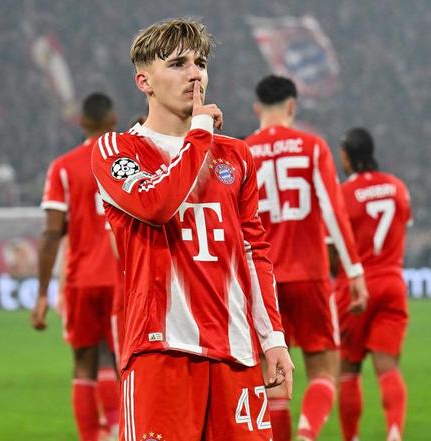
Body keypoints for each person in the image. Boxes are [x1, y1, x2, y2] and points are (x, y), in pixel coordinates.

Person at [90, 18, 293, 441]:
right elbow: (156, 204)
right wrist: (199, 134)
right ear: (144, 81)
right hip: (161, 351)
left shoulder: (236, 156)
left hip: (237, 353)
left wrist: (273, 337)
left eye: (200, 63)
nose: (195, 73)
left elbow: (254, 252)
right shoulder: (117, 150)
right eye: (178, 63)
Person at [245, 75, 368, 441]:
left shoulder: (243, 152)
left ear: (257, 108)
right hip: (309, 275)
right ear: (292, 106)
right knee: (325, 369)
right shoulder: (312, 147)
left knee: (273, 377)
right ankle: (307, 433)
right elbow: (333, 211)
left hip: (262, 281)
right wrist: (354, 271)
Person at [32, 93, 120, 441]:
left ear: (81, 123)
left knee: (84, 364)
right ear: (113, 121)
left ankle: (92, 436)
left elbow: (52, 233)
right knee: (120, 361)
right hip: (122, 280)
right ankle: (118, 429)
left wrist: (42, 294)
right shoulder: (125, 162)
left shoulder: (64, 167)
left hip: (81, 280)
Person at [332, 127, 412, 441]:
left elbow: (333, 250)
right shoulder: (397, 187)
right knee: (388, 366)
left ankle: (351, 438)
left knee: (349, 369)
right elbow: (402, 228)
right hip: (392, 283)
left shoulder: (343, 194)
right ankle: (394, 433)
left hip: (355, 287)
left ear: (346, 157)